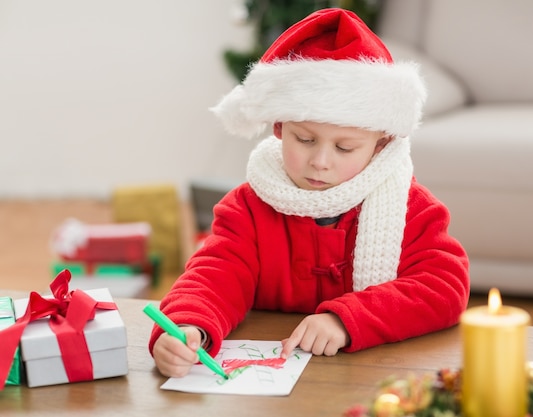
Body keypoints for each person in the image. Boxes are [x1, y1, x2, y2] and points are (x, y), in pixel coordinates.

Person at [149, 8, 470, 378]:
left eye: (345, 148)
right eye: (304, 139)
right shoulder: (248, 207)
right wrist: (190, 327)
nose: (320, 161)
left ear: (380, 145)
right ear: (279, 128)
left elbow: (443, 287)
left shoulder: (410, 207)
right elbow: (215, 274)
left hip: (367, 378)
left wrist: (347, 319)